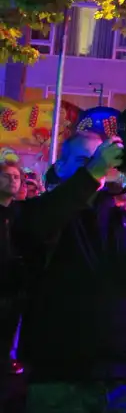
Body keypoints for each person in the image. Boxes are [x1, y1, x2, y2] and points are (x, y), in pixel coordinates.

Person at [16, 132, 126, 413]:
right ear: (60, 166)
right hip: (59, 379)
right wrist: (91, 173)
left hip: (121, 377)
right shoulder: (39, 211)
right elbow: (36, 228)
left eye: (105, 161)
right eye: (85, 159)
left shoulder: (122, 218)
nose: (99, 167)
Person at [0, 160, 24, 376]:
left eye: (16, 177)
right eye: (7, 176)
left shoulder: (22, 213)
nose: (13, 180)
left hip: (13, 287)